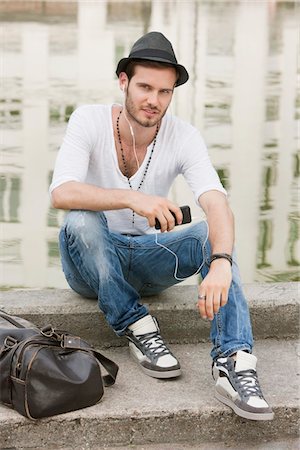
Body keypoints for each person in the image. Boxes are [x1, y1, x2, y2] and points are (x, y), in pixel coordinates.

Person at [50, 31, 274, 421]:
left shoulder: (184, 136)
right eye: (145, 87)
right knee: (80, 219)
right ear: (124, 82)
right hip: (92, 262)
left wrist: (221, 261)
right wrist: (132, 198)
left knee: (211, 233)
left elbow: (216, 200)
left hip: (149, 258)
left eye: (164, 92)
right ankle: (137, 324)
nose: (154, 100)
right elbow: (62, 192)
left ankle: (233, 361)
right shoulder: (88, 119)